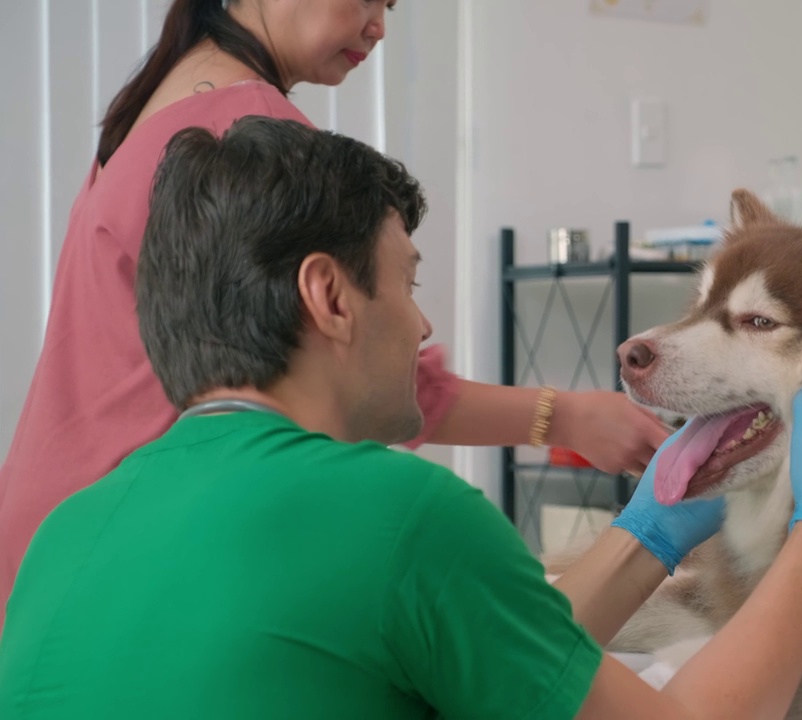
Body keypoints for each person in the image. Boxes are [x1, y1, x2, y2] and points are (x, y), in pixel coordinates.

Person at [0, 117, 802, 719]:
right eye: (407, 281)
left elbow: (494, 647)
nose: (424, 322)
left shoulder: (68, 533)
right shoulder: (395, 512)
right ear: (328, 296)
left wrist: (648, 531)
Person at [0, 0, 668, 629]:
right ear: (330, 293)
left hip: (55, 536)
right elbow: (378, 372)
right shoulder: (248, 140)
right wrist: (569, 416)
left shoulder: (161, 102)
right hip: (128, 556)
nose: (378, 27)